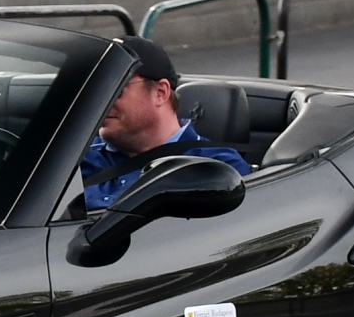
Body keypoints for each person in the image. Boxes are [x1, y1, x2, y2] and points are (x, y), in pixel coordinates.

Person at [77, 36, 249, 211]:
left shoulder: (214, 169)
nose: (102, 101)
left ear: (160, 93)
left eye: (115, 88)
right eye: (98, 90)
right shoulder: (73, 157)